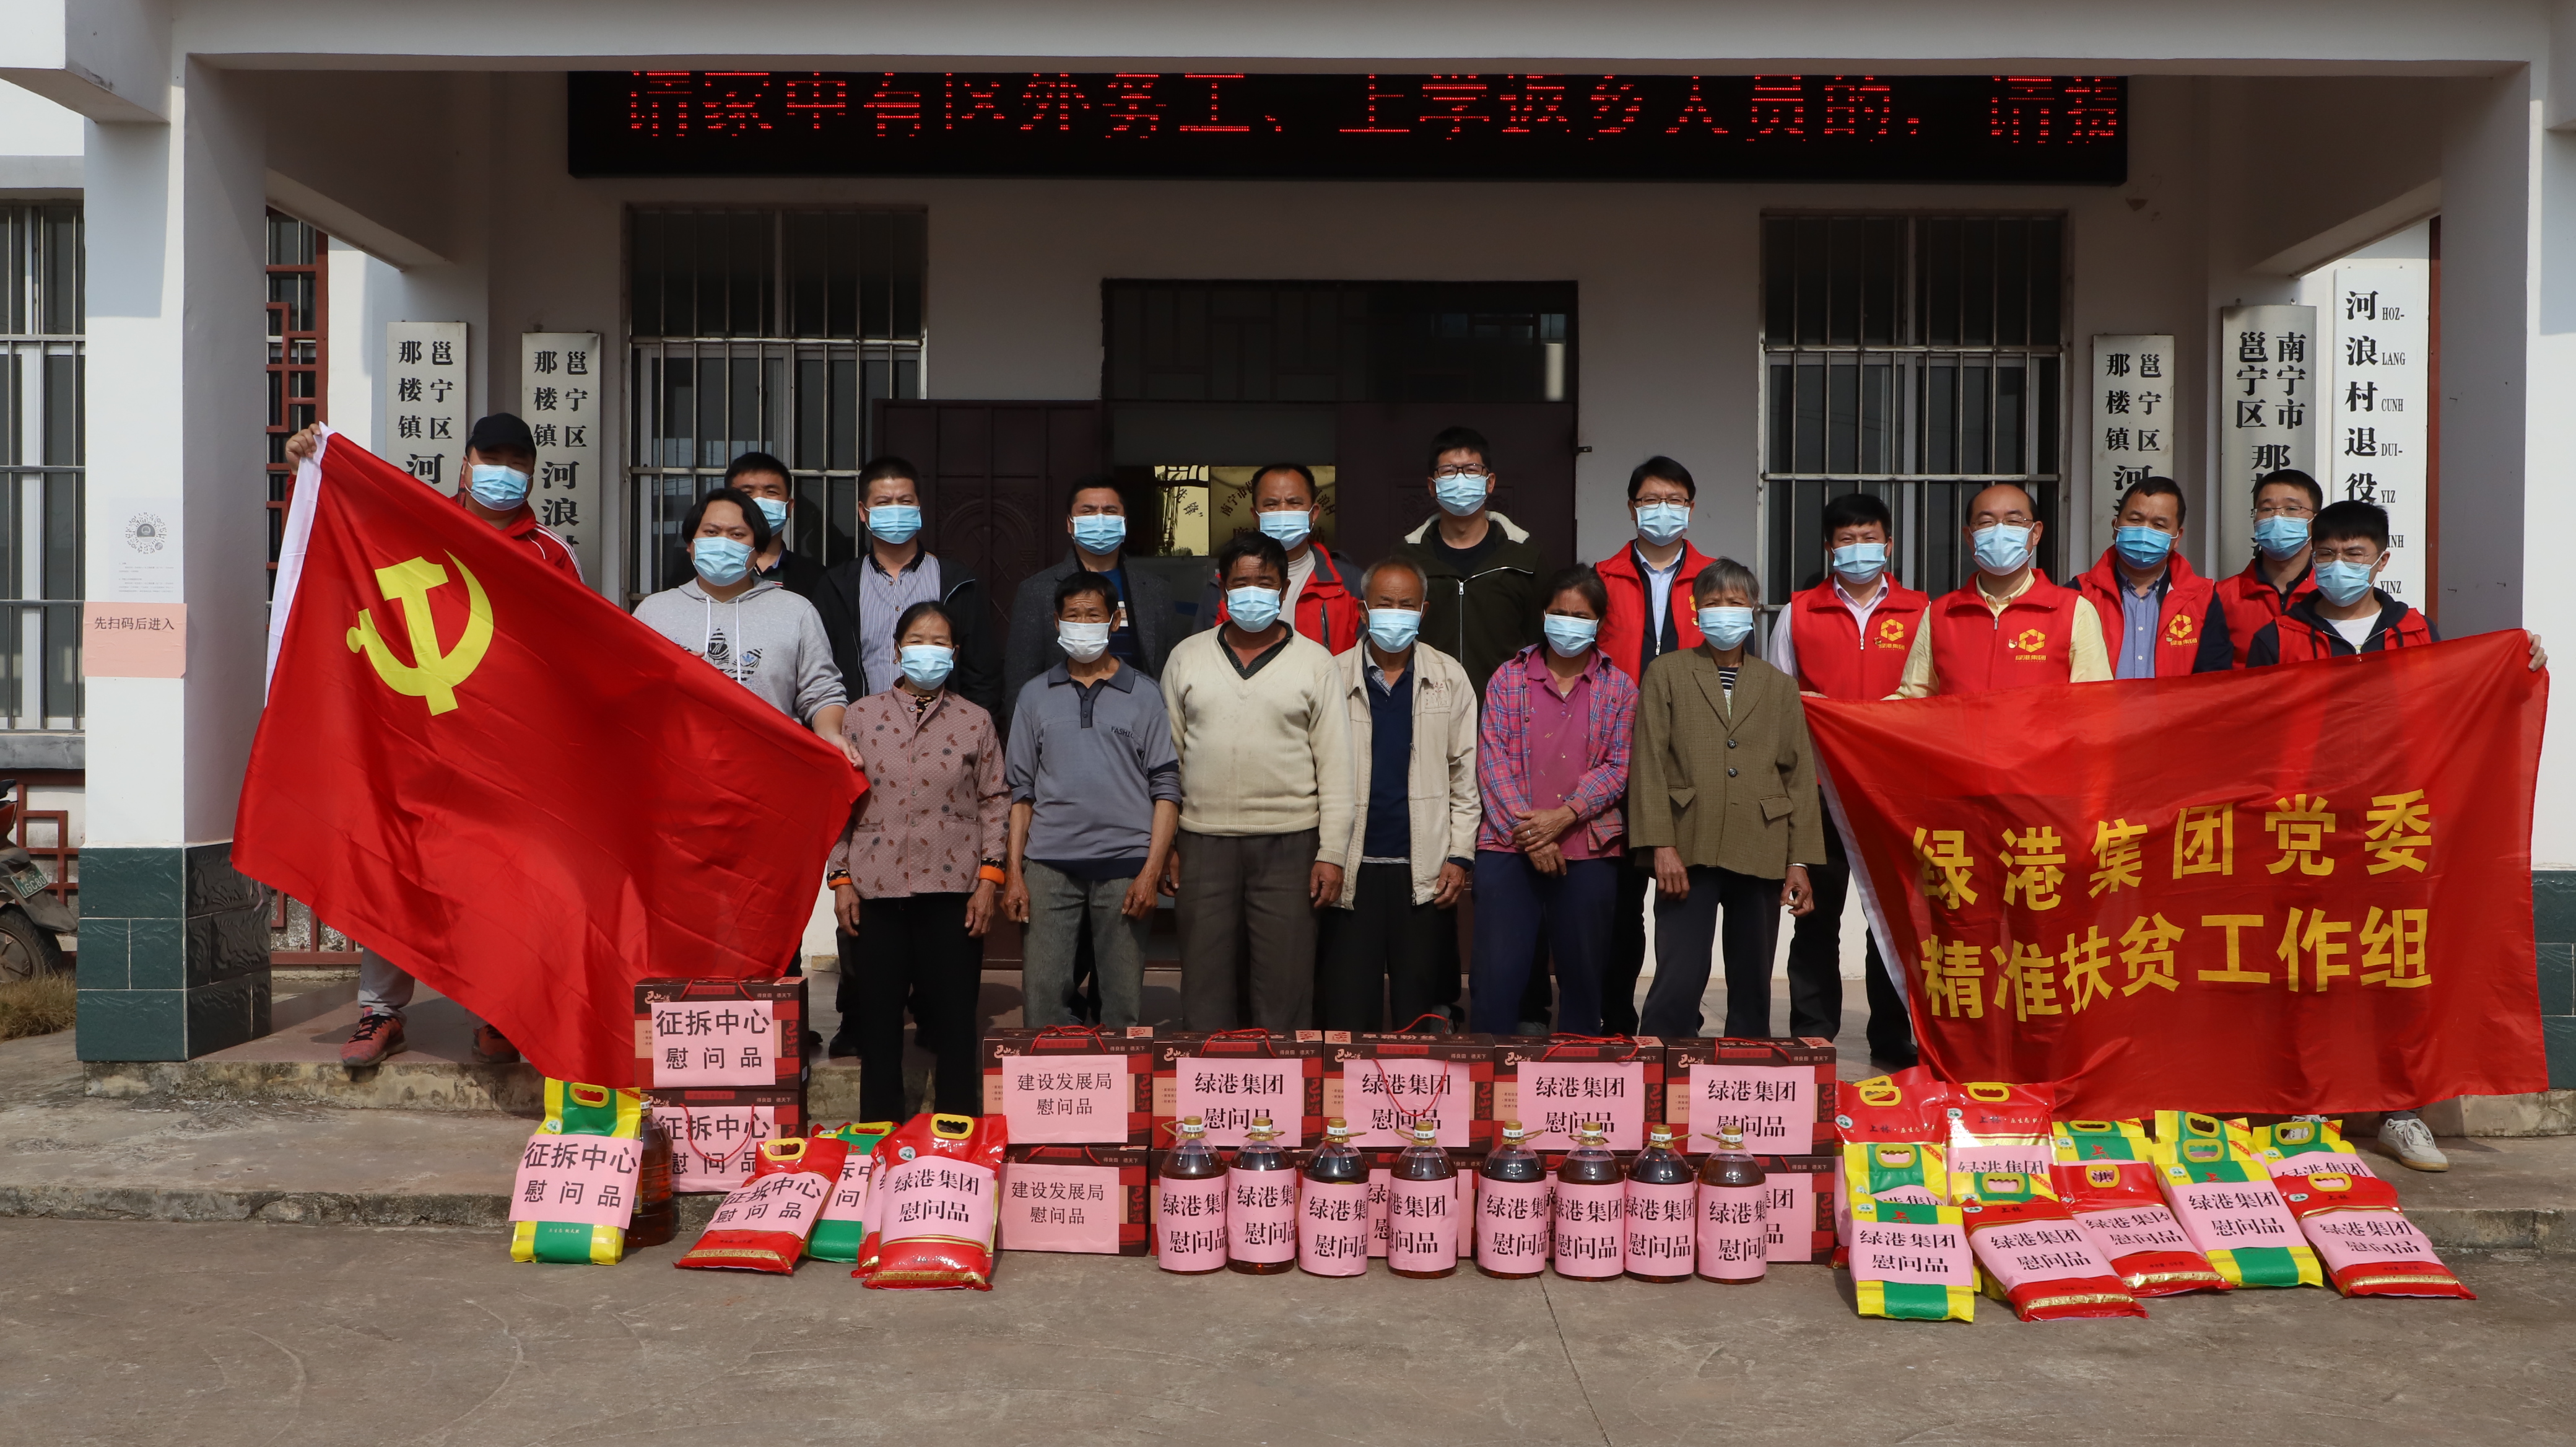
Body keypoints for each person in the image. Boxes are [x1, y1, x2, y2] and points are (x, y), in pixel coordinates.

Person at [2243, 499, 2548, 1171]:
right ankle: (2308, 1107)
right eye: (2327, 554)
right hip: (2306, 823)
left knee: (2397, 964)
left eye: (2354, 554)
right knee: (2308, 966)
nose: (2338, 566)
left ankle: (2400, 1112)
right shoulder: (2278, 636)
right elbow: (2249, 730)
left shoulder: (2414, 631)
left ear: (2381, 560)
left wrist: (2514, 662)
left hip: (2394, 821)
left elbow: (2455, 704)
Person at [290, 413, 579, 1068]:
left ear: (534, 473)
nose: (503, 471)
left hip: (505, 754)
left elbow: (574, 653)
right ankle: (380, 1010)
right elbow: (337, 541)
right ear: (465, 462)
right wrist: (312, 469)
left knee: (499, 881)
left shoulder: (551, 553)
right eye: (491, 457)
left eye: (517, 460)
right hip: (413, 740)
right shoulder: (416, 525)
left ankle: (498, 1012)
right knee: (398, 868)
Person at [1160, 531, 1354, 1031]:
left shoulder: (1316, 662)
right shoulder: (1186, 657)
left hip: (1290, 844)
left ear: (1284, 589)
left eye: (1265, 583)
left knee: (1285, 987)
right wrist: (1166, 845)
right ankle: (1210, 1078)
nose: (1253, 592)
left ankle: (1280, 1079)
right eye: (1241, 582)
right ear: (1223, 587)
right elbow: (1166, 764)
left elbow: (1337, 765)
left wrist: (1332, 853)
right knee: (1205, 985)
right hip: (1202, 842)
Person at [829, 600, 1008, 1120]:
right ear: (897, 650)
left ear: (954, 653)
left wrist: (989, 880)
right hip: (876, 889)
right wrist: (841, 879)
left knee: (954, 1022)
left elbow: (995, 801)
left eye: (939, 643)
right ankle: (879, 1133)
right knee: (878, 1022)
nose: (927, 652)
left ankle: (956, 1133)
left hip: (954, 892)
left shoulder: (974, 721)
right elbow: (837, 803)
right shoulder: (860, 717)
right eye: (917, 641)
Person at [1632, 559, 1825, 1039]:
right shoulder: (1667, 672)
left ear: (1753, 609)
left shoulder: (1779, 686)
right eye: (1714, 602)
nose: (1725, 611)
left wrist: (1798, 861)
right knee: (1678, 976)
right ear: (1696, 611)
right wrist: (1661, 845)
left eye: (1735, 602)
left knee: (1753, 980)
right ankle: (1663, 1063)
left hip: (1761, 843)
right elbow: (1649, 763)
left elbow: (1799, 777)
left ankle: (1744, 1067)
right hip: (1687, 843)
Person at [1768, 492, 1927, 1067]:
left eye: (1869, 538)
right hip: (1818, 790)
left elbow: (1931, 698)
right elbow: (1779, 704)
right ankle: (1813, 1033)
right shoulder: (1798, 613)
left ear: (1889, 545)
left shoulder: (1922, 612)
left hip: (1893, 794)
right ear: (1829, 548)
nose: (1859, 549)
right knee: (1816, 918)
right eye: (1847, 540)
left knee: (1893, 922)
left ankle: (1892, 1035)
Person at [1002, 572, 1183, 1030]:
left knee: (1121, 1005)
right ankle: (1052, 1077)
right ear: (1057, 622)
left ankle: (1116, 1079)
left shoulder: (1145, 694)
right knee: (1043, 1001)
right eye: (1073, 616)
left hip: (1125, 866)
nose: (1082, 625)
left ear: (1115, 621)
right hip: (1049, 864)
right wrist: (1014, 874)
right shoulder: (1034, 695)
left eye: (1093, 615)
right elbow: (1020, 792)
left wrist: (1151, 871)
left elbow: (1166, 788)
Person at [1468, 566, 1637, 1036]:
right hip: (1508, 844)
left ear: (1599, 622)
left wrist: (1563, 817)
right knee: (1496, 976)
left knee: (1584, 977)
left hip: (1589, 847)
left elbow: (1618, 768)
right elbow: (1491, 761)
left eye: (1580, 616)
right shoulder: (1508, 678)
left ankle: (1576, 1072)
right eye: (1559, 613)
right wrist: (1534, 836)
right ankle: (1490, 1070)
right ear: (1543, 615)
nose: (1568, 623)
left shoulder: (1620, 688)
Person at [1318, 557, 1480, 1032]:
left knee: (1420, 1012)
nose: (1395, 613)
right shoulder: (1330, 676)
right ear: (1363, 610)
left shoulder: (1450, 677)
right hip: (1351, 869)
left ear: (1424, 611)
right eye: (1384, 603)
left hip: (1424, 872)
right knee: (1348, 1012)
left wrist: (1460, 855)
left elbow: (1464, 776)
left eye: (1406, 605)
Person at [1593, 455, 1717, 1034]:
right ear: (1631, 508)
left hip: (1692, 761)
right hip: (1617, 758)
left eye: (1674, 500)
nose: (1662, 510)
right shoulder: (1601, 578)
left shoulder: (1716, 579)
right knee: (1619, 907)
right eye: (1650, 500)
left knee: (1682, 901)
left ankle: (1674, 1021)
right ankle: (1615, 1020)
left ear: (1691, 508)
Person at [632, 487, 854, 748]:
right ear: (690, 544)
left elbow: (823, 693)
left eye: (737, 535)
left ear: (758, 550)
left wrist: (830, 734)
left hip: (768, 761)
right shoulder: (653, 612)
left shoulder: (796, 611)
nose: (723, 543)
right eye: (711, 532)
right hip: (678, 761)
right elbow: (629, 687)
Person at [816, 455, 1001, 715]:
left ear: (918, 507)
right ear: (862, 511)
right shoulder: (836, 586)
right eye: (883, 502)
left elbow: (982, 675)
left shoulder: (958, 583)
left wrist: (969, 728)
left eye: (905, 501)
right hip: (860, 728)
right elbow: (821, 671)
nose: (895, 510)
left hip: (943, 728)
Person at [1897, 482, 2114, 697]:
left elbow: (2094, 700)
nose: (1999, 531)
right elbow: (1913, 698)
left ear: (2036, 533)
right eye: (1986, 522)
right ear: (1969, 537)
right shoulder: (1939, 614)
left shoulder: (2074, 610)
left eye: (2014, 521)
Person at [1396, 426, 1546, 696]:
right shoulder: (1406, 560)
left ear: (1490, 482)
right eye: (1448, 471)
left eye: (1472, 469)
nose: (1460, 479)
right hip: (1427, 705)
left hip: (1506, 708)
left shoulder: (1525, 559)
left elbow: (1541, 646)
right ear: (1432, 486)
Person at [1004, 475, 1179, 702]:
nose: (1100, 519)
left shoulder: (1157, 591)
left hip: (1140, 714)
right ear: (1070, 524)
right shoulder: (1036, 591)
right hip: (1062, 716)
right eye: (1088, 511)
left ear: (1124, 522)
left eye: (1109, 511)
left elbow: (1171, 671)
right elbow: (1020, 679)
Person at [2074, 476, 2234, 678]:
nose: (2145, 531)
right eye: (2135, 520)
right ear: (2116, 526)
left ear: (2177, 537)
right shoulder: (2078, 594)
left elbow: (2214, 681)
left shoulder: (2203, 599)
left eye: (2159, 525)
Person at [1204, 464, 1364, 654]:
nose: (1282, 511)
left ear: (1313, 513)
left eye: (1294, 503)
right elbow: (1204, 656)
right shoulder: (1225, 586)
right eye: (1271, 504)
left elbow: (1362, 661)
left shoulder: (1350, 584)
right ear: (1255, 515)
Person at [2215, 468, 2325, 665]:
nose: (2277, 517)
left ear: (2316, 521)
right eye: (2266, 510)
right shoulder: (2222, 597)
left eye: (2291, 509)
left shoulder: (2330, 594)